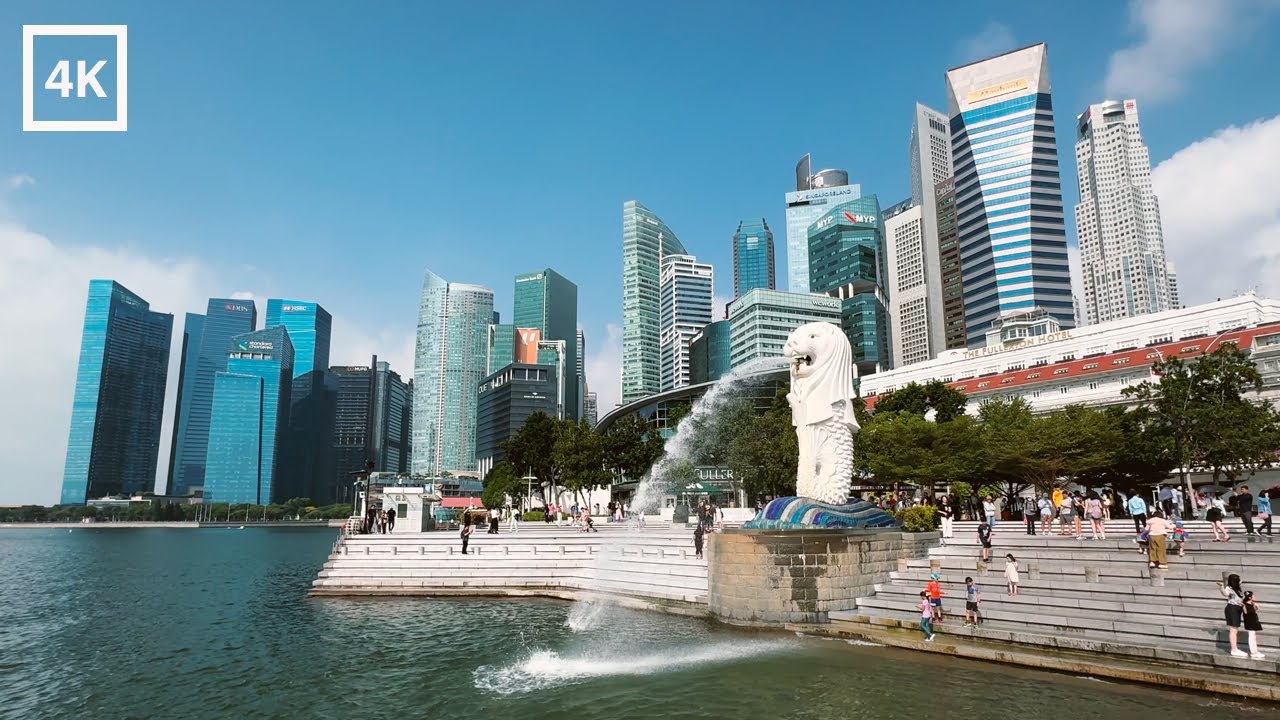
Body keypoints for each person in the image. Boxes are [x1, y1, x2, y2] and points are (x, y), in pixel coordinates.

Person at [1219, 574, 1265, 659]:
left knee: (1235, 628)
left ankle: (1236, 649)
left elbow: (1242, 598)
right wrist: (1222, 587)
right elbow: (1225, 593)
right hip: (1232, 608)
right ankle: (1234, 649)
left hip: (1238, 609)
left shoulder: (1238, 588)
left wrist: (1253, 603)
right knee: (1233, 629)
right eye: (1237, 580)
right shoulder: (1229, 588)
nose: (1239, 581)